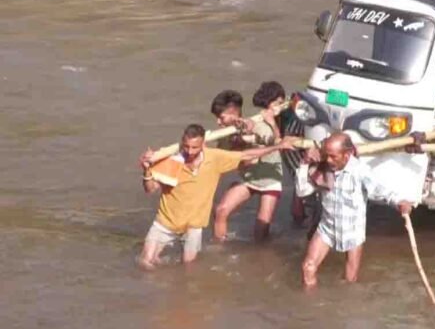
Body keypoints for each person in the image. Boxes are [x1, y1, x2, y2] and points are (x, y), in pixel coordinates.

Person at [137, 124, 295, 270]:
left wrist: (278, 146)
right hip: (166, 223)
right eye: (186, 147)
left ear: (203, 144)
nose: (190, 152)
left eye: (194, 147)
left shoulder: (215, 158)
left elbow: (246, 154)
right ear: (181, 143)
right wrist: (147, 172)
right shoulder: (171, 160)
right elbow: (150, 189)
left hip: (194, 226)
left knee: (189, 268)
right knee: (145, 263)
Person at [297, 133, 413, 289]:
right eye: (326, 155)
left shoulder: (360, 170)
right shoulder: (323, 167)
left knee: (349, 281)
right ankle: (309, 305)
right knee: (308, 267)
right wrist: (305, 162)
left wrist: (399, 202)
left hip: (352, 232)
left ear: (347, 154)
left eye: (333, 156)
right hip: (327, 228)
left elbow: (379, 189)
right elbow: (301, 191)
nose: (329, 160)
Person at [213, 82, 287, 242]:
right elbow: (222, 158)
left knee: (261, 232)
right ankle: (219, 248)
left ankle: (262, 258)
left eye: (221, 117)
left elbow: (277, 143)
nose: (218, 122)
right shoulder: (225, 133)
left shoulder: (258, 124)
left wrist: (257, 128)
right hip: (249, 178)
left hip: (270, 179)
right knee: (221, 210)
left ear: (233, 113)